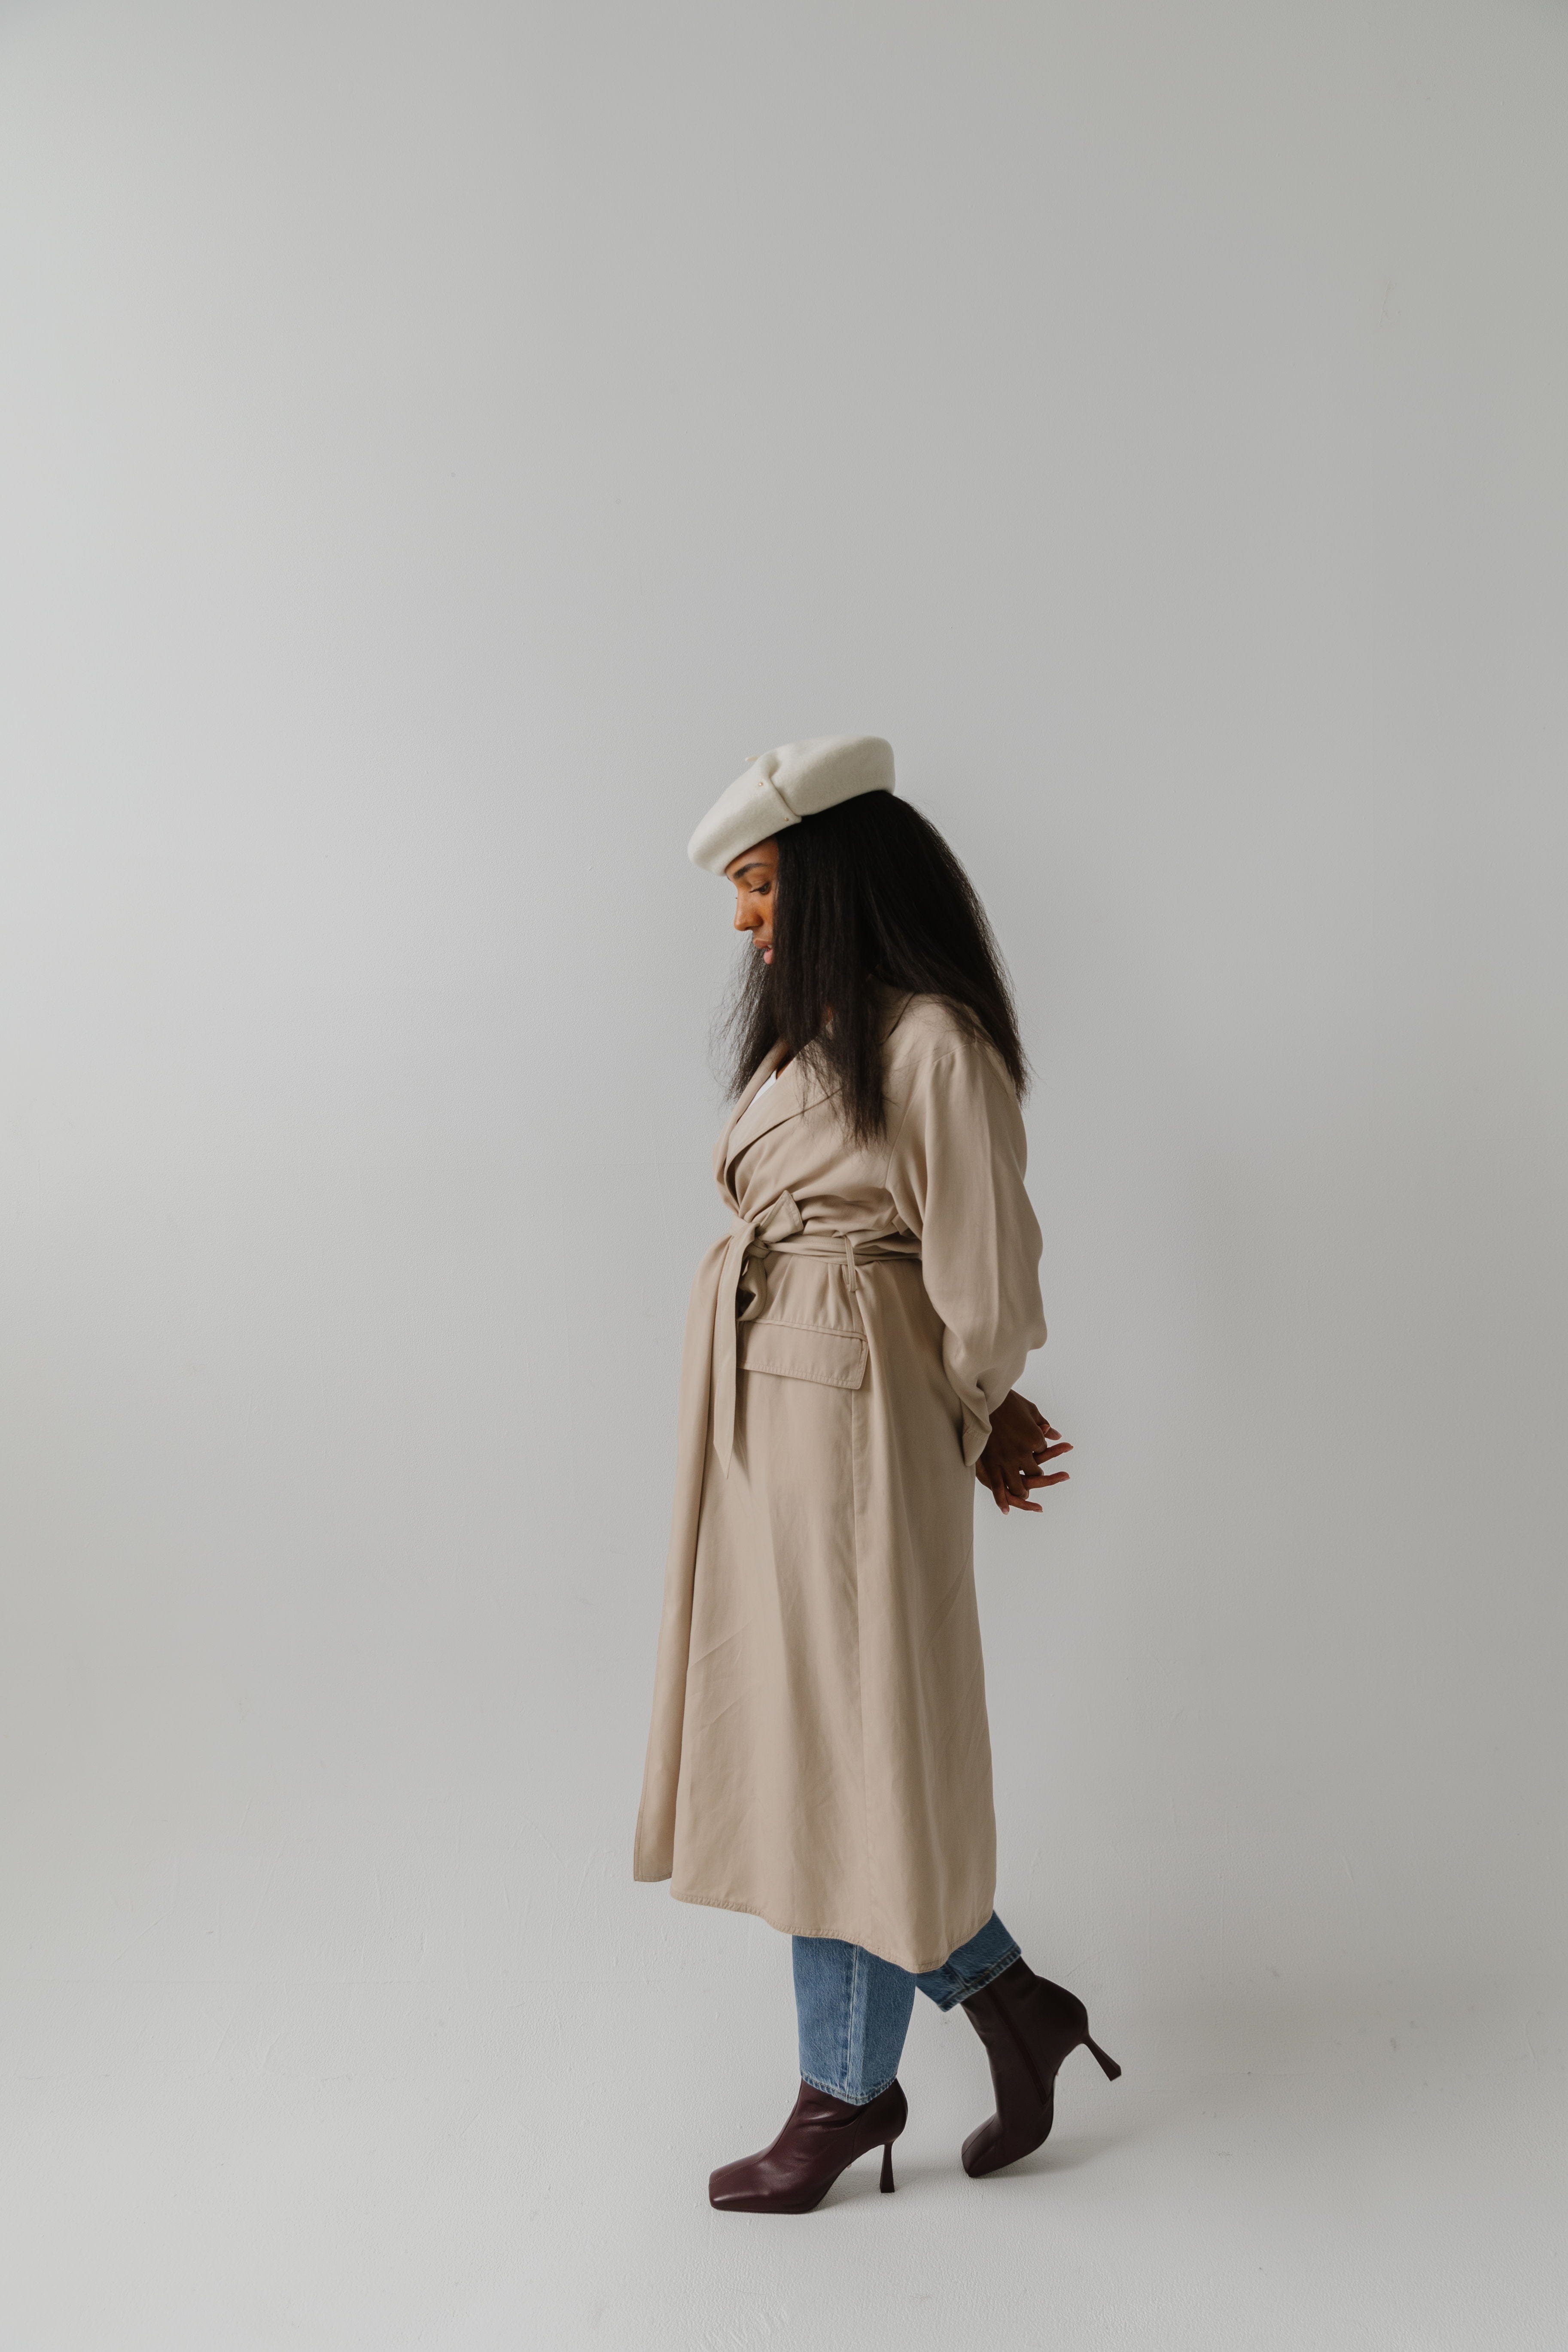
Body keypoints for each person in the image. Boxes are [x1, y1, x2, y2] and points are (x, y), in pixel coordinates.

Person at [634, 736, 1119, 2214]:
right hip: (773, 1427)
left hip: (853, 1442)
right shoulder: (817, 1041)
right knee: (809, 1748)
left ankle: (844, 2091)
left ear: (834, 880)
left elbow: (987, 1292)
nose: (743, 921)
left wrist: (973, 1415)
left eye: (764, 886)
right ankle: (1012, 2005)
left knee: (844, 1755)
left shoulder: (929, 1050)